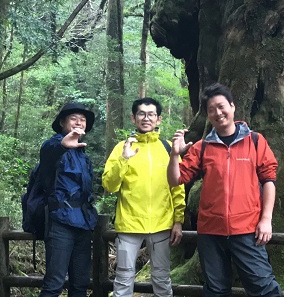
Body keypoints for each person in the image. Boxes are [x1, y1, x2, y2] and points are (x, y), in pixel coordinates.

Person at [168, 83, 282, 297]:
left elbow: (269, 179)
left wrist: (266, 219)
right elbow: (176, 180)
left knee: (264, 288)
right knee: (215, 291)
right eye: (211, 110)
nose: (217, 113)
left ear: (232, 106)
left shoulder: (255, 141)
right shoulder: (201, 147)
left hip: (247, 230)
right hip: (211, 232)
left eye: (221, 107)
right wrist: (175, 154)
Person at [103, 97, 186, 297]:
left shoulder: (168, 149)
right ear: (133, 118)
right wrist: (123, 159)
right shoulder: (122, 147)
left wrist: (178, 220)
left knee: (161, 277)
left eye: (151, 114)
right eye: (141, 113)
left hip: (161, 225)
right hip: (129, 226)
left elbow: (178, 186)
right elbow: (110, 185)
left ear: (158, 119)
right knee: (123, 278)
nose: (146, 118)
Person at [39, 102, 98, 297]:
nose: (79, 122)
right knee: (54, 283)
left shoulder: (83, 154)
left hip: (83, 222)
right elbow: (47, 153)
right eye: (74, 119)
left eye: (82, 120)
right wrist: (62, 145)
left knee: (80, 284)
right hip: (60, 222)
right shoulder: (54, 145)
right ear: (63, 122)